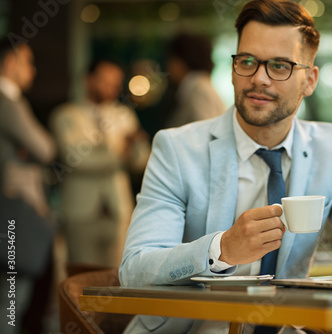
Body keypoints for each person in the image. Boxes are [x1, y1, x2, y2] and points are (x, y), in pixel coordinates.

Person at [119, 0, 332, 333]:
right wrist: (222, 249)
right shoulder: (177, 149)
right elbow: (135, 270)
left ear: (310, 80)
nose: (258, 78)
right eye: (247, 61)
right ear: (232, 69)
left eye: (279, 66)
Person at [50, 58, 151, 268]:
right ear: (88, 80)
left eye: (116, 83)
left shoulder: (124, 115)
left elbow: (141, 161)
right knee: (81, 277)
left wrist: (136, 145)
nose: (112, 88)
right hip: (80, 211)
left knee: (118, 276)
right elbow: (75, 160)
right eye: (106, 81)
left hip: (118, 208)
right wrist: (121, 152)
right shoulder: (66, 115)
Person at [0, 38, 56, 334]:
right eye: (27, 62)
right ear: (10, 63)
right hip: (12, 212)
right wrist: (29, 149)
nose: (32, 71)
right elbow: (45, 148)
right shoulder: (7, 100)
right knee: (10, 298)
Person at [164, 31, 226, 128]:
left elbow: (206, 135)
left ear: (182, 61)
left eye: (172, 58)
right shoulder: (197, 87)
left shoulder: (199, 91)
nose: (168, 65)